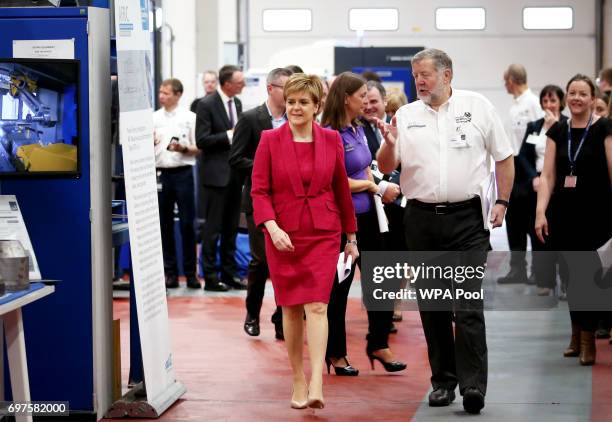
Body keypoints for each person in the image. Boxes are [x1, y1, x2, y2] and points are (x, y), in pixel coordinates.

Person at [377, 48, 514, 414]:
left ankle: (473, 385)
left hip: (468, 220)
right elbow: (386, 164)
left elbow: (503, 156)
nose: (419, 80)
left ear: (447, 75)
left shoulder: (479, 107)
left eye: (425, 74)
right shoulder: (405, 115)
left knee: (468, 304)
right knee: (433, 304)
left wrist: (502, 202)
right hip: (421, 220)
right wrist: (389, 146)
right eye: (415, 74)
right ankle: (443, 382)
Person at [251, 74, 358, 409]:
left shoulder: (330, 140)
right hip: (283, 234)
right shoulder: (269, 139)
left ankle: (316, 381)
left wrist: (351, 236)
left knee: (317, 305)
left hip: (324, 233)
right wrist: (271, 226)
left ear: (316, 106)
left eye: (303, 102)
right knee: (291, 307)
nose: (296, 107)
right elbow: (259, 190)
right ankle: (297, 377)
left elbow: (341, 188)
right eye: (292, 101)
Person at [322, 72, 406, 376]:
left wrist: (378, 186)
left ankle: (378, 343)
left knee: (381, 282)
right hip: (341, 222)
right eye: (361, 96)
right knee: (339, 290)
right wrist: (372, 188)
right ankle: (336, 353)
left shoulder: (358, 129)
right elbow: (334, 181)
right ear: (346, 98)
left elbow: (366, 169)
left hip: (370, 217)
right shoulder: (328, 133)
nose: (366, 102)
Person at [535, 74, 612, 366]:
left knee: (587, 276)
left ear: (593, 99)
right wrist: (540, 211)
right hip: (563, 213)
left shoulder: (604, 127)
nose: (577, 98)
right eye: (572, 93)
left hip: (597, 214)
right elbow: (548, 176)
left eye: (583, 93)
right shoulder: (558, 130)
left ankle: (588, 340)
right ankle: (576, 333)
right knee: (569, 275)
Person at [229, 67, 293, 339]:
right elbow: (236, 158)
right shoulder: (250, 119)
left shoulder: (296, 119)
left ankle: (282, 318)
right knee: (261, 261)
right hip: (258, 200)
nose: (292, 96)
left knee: (286, 262)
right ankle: (252, 313)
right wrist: (267, 167)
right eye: (286, 89)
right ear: (271, 88)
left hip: (289, 203)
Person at [195, 64, 247, 291]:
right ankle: (210, 276)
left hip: (235, 175)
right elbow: (202, 140)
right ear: (227, 84)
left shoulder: (237, 103)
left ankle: (229, 273)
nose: (243, 85)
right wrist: (228, 135)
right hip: (215, 176)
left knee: (231, 229)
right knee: (212, 229)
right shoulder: (206, 105)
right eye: (239, 81)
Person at [516, 85, 568, 296]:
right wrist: (533, 178)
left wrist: (554, 126)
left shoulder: (566, 125)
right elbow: (523, 156)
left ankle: (566, 282)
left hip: (561, 187)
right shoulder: (534, 126)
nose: (548, 105)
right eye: (545, 101)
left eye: (552, 101)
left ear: (560, 103)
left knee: (563, 237)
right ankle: (544, 280)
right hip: (538, 186)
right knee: (540, 235)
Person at [498, 63, 544, 285]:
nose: (504, 85)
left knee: (531, 222)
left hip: (529, 169)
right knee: (514, 221)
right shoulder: (514, 105)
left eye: (505, 81)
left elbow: (541, 137)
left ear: (511, 80)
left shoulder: (533, 104)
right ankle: (518, 269)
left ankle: (538, 270)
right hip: (514, 167)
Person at [153, 78, 200, 289]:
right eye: (160, 92)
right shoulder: (153, 118)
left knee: (188, 224)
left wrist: (184, 149)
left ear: (178, 94)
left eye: (166, 93)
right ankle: (170, 273)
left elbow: (198, 147)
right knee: (163, 225)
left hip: (183, 172)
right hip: (161, 173)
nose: (162, 96)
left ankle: (191, 273)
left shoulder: (190, 117)